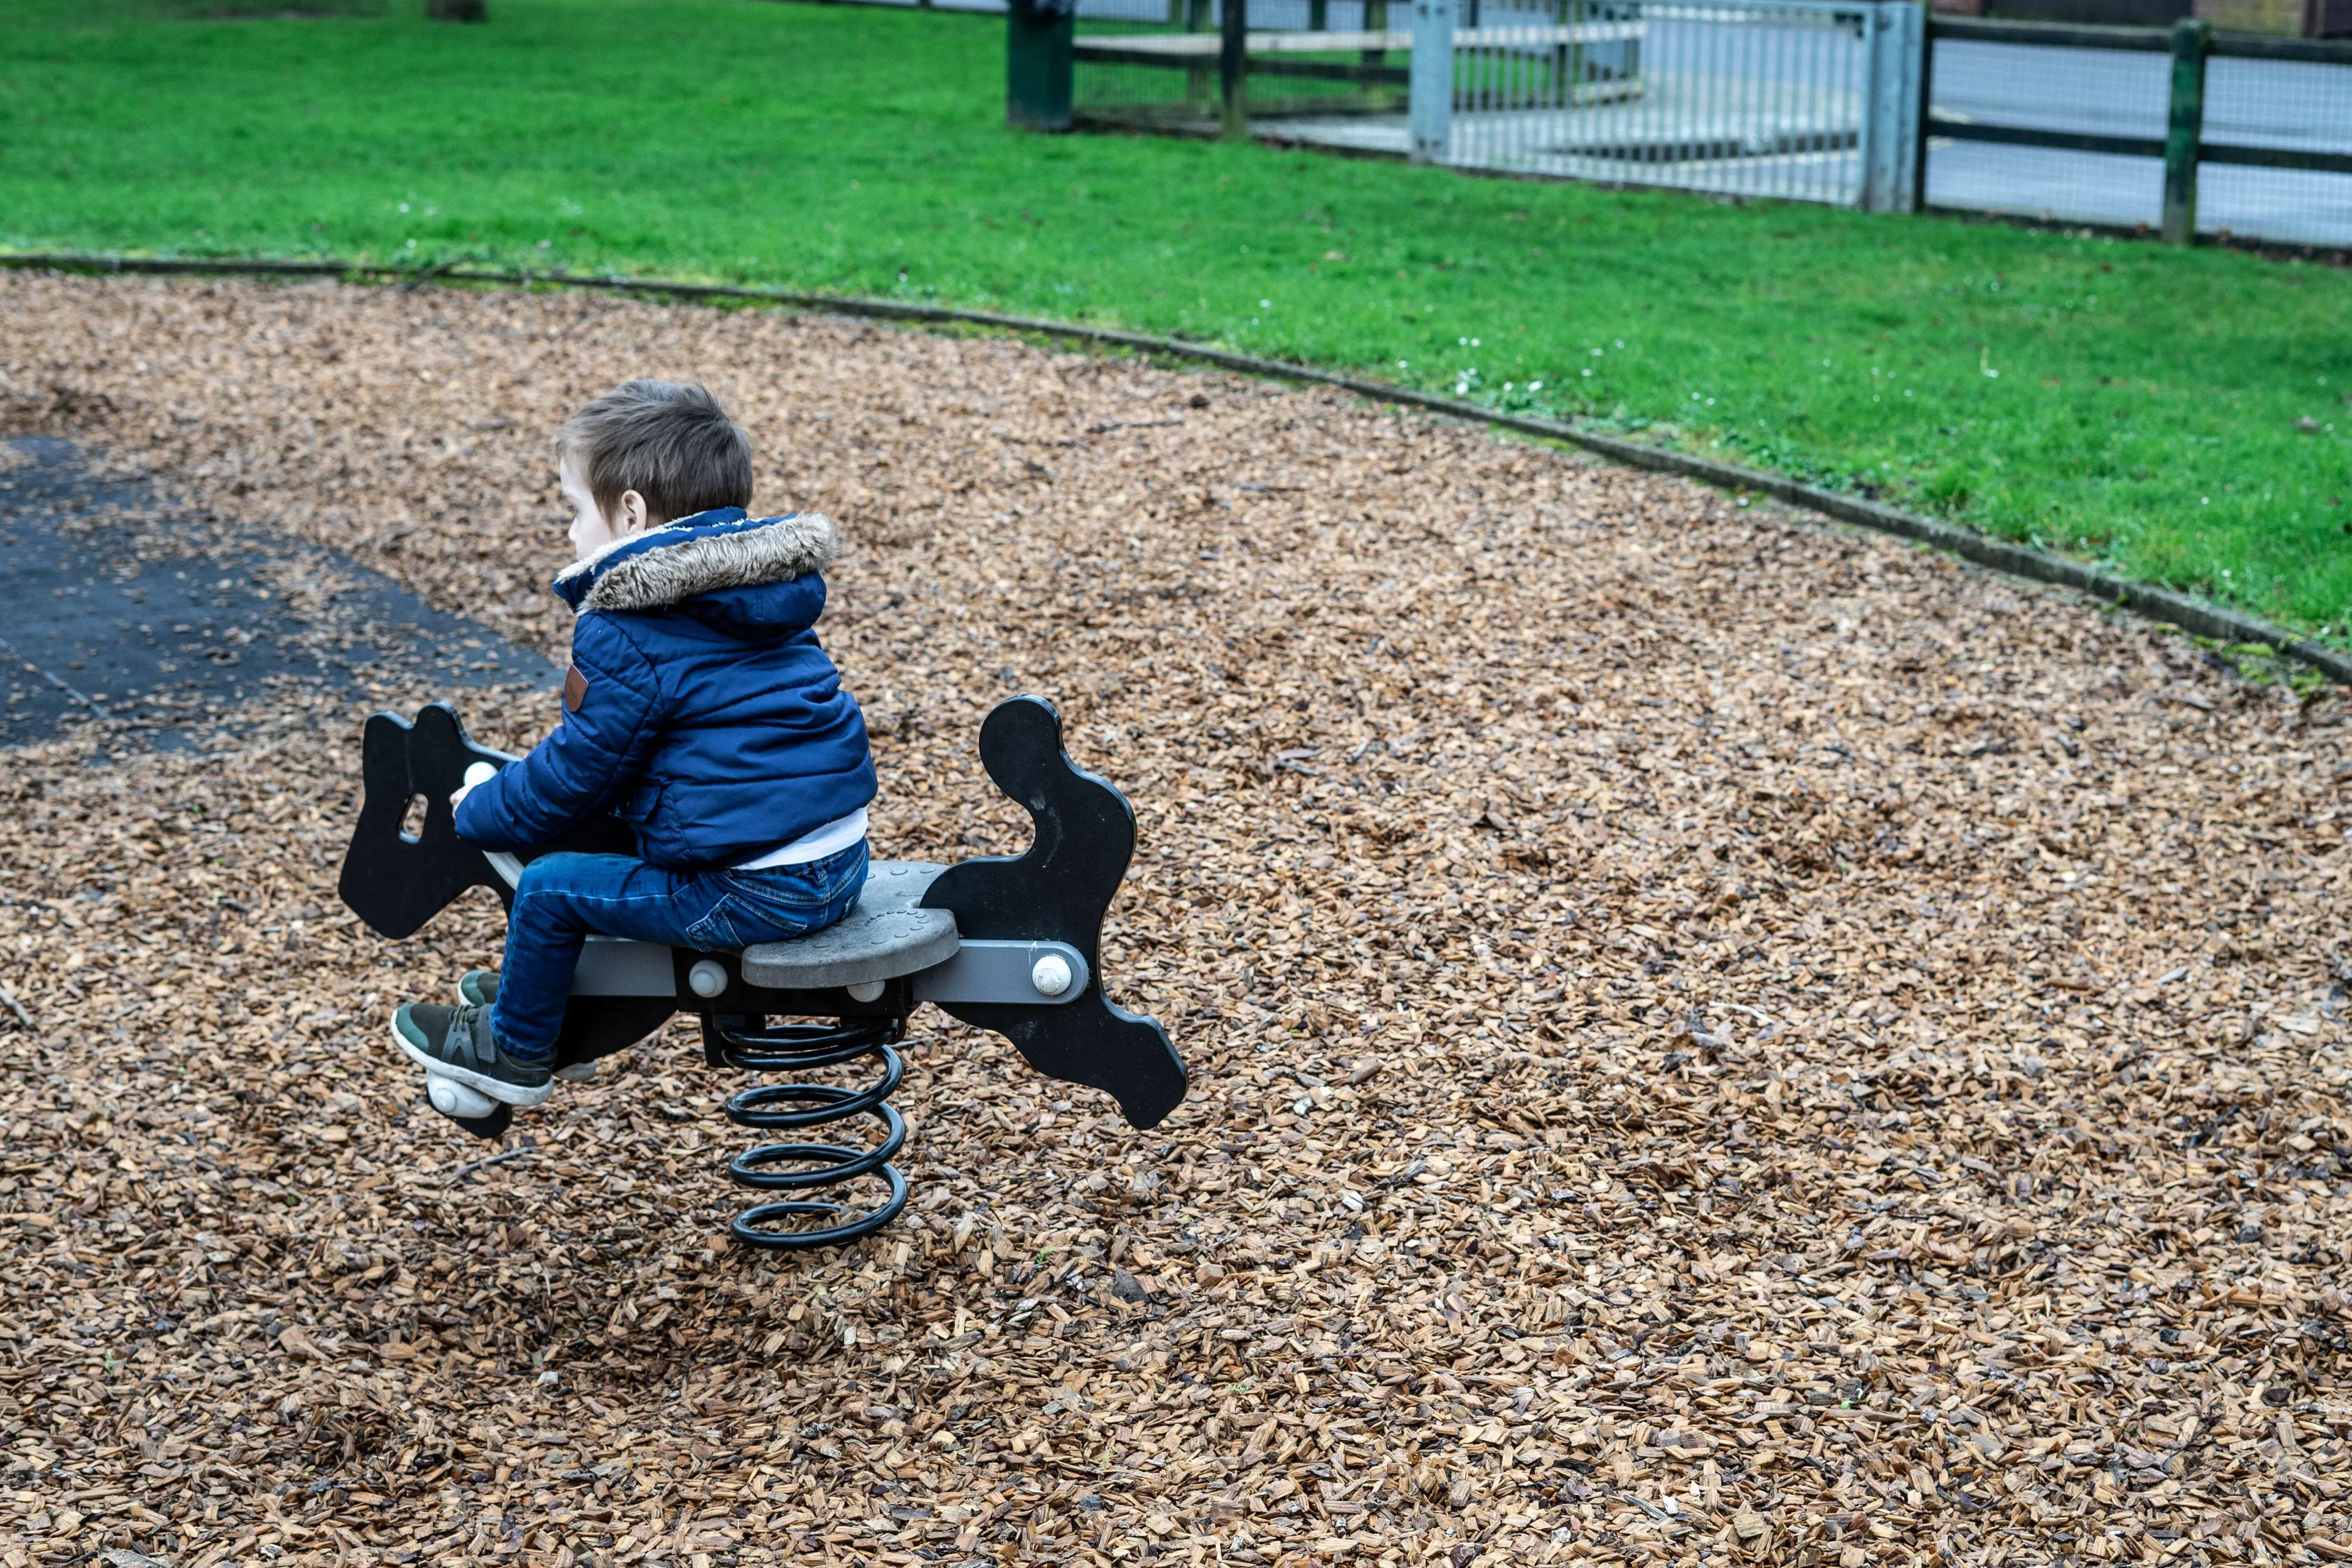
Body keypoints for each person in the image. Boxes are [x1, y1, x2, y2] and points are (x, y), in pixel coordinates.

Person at [390, 380, 876, 1107]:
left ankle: (515, 1050)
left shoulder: (627, 623)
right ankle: (543, 988)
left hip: (752, 891)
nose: (569, 534)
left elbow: (580, 770)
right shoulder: (759, 595)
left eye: (574, 510)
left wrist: (484, 807)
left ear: (629, 514)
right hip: (839, 863)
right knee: (612, 849)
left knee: (552, 886)